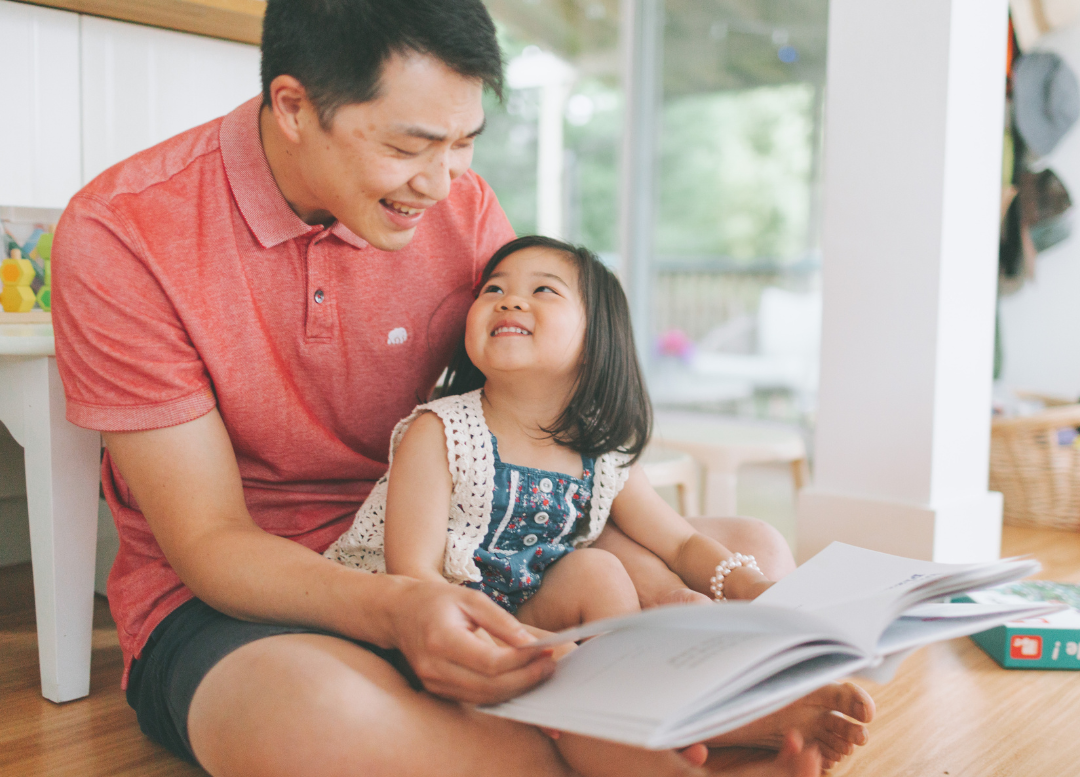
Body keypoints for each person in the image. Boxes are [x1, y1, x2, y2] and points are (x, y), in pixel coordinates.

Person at [50, 1, 873, 775]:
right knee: (316, 715)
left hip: (474, 548)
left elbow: (540, 418)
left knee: (751, 550)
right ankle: (662, 725)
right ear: (295, 107)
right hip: (253, 602)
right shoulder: (123, 234)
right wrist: (402, 607)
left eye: (465, 142)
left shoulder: (462, 207)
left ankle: (620, 724)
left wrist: (672, 579)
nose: (443, 185)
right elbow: (211, 544)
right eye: (409, 148)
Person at [327, 236, 777, 639]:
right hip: (432, 616)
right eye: (493, 290)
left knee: (596, 571)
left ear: (596, 337)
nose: (509, 302)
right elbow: (413, 575)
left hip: (525, 611)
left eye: (542, 290)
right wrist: (519, 645)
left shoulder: (601, 451)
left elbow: (679, 543)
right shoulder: (441, 433)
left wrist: (750, 587)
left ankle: (624, 692)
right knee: (596, 586)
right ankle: (607, 694)